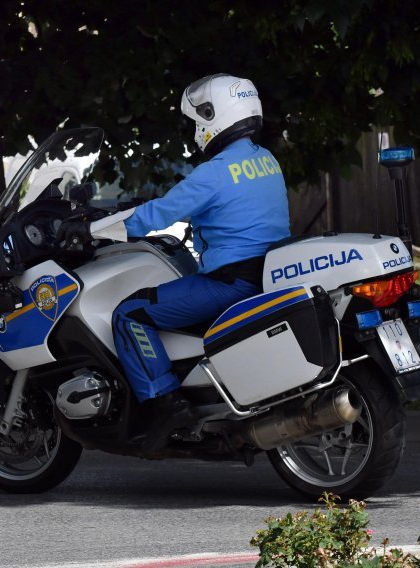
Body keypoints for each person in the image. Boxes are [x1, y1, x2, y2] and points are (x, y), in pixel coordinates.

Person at [85, 73, 291, 451]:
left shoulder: (214, 172)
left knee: (129, 314)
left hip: (230, 284)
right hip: (267, 276)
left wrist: (98, 229)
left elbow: (158, 214)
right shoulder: (267, 161)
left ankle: (165, 404)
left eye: (197, 119)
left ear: (214, 116)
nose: (194, 128)